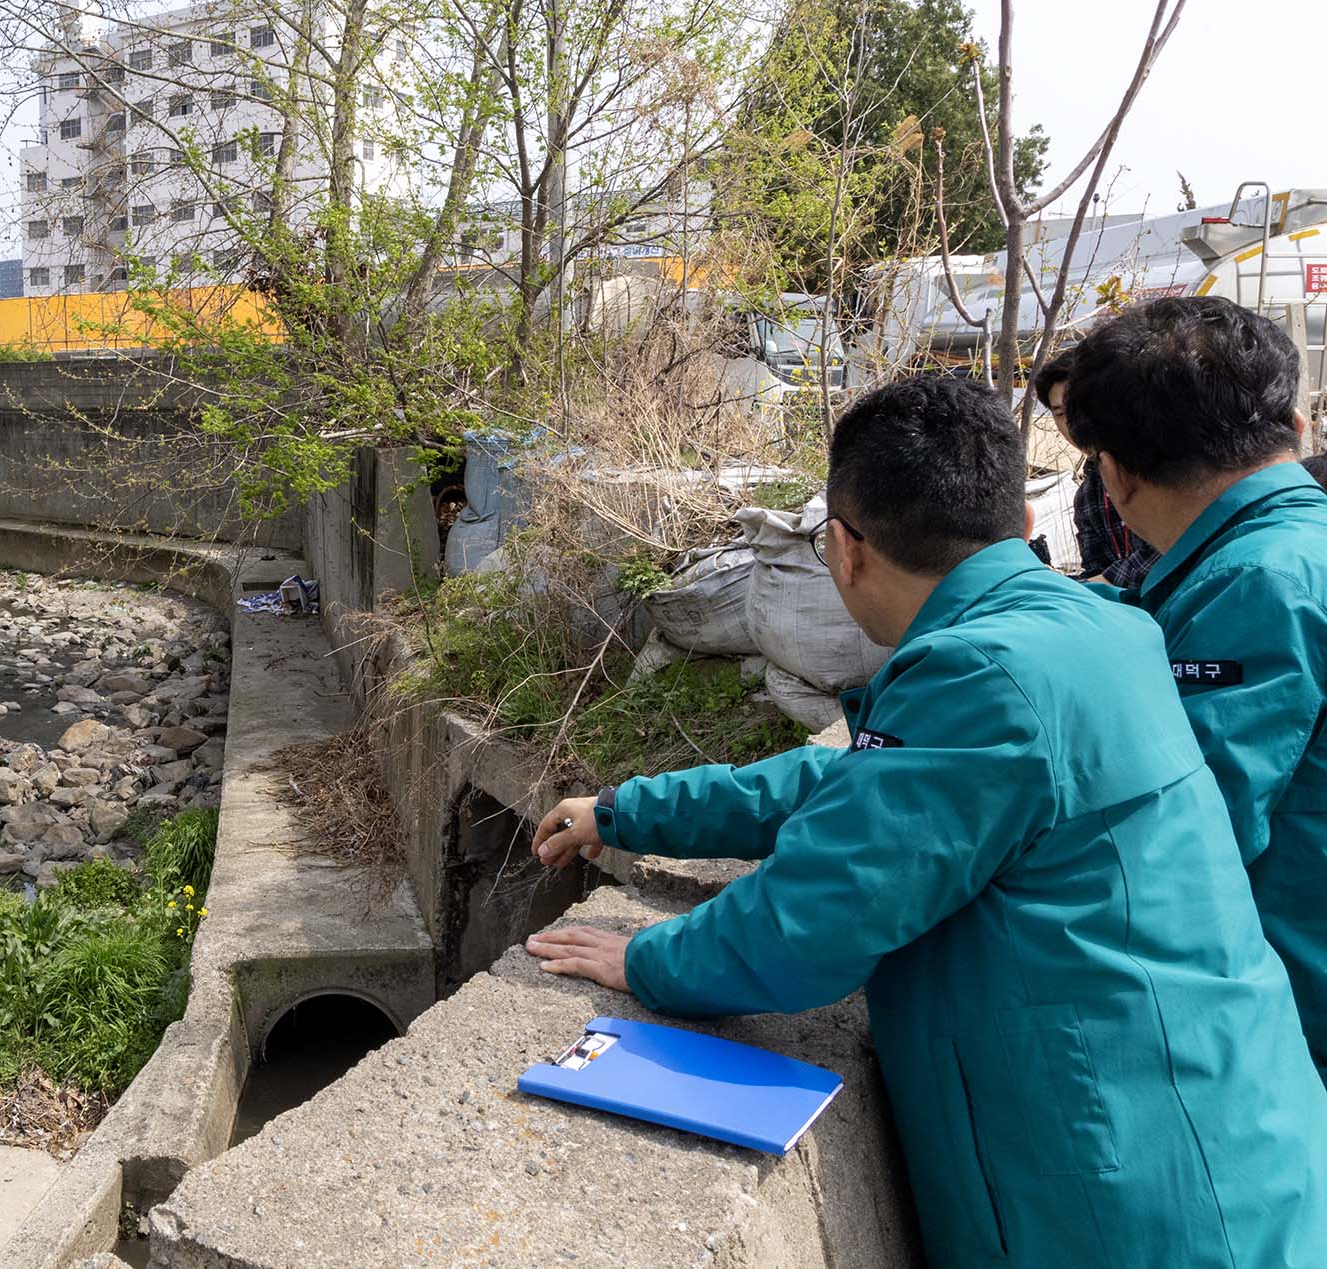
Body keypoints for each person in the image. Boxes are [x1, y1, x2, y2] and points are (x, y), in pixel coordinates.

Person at [527, 375, 1327, 1268]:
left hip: (1126, 1203)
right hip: (1237, 1145)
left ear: (843, 549)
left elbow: (807, 923)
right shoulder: (1093, 625)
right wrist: (635, 810)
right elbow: (866, 784)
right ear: (1021, 518)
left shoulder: (978, 672)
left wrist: (647, 958)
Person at [1055, 295, 1327, 1081]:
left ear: (1118, 474)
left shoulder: (1255, 586)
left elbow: (1183, 840)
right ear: (1298, 429)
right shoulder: (1293, 551)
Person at [1034, 356, 1157, 587]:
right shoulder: (1087, 493)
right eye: (1059, 413)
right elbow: (1096, 570)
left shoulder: (1163, 464)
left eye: (1079, 406)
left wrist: (1092, 586)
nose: (1071, 422)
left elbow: (1169, 554)